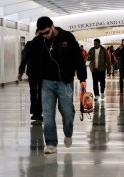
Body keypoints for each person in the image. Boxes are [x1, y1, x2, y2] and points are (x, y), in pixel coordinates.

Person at [31, 16, 87, 154]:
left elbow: (78, 58)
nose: (45, 35)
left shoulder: (67, 37)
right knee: (48, 114)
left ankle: (68, 133)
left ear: (52, 27)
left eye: (46, 32)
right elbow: (33, 61)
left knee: (67, 113)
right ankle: (51, 143)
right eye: (41, 33)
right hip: (46, 83)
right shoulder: (39, 41)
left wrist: (82, 78)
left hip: (65, 82)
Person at [18, 29, 43, 125]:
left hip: (32, 72)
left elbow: (24, 59)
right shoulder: (45, 44)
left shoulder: (29, 44)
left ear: (36, 33)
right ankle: (39, 113)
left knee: (33, 92)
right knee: (41, 93)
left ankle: (34, 113)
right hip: (42, 73)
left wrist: (20, 72)